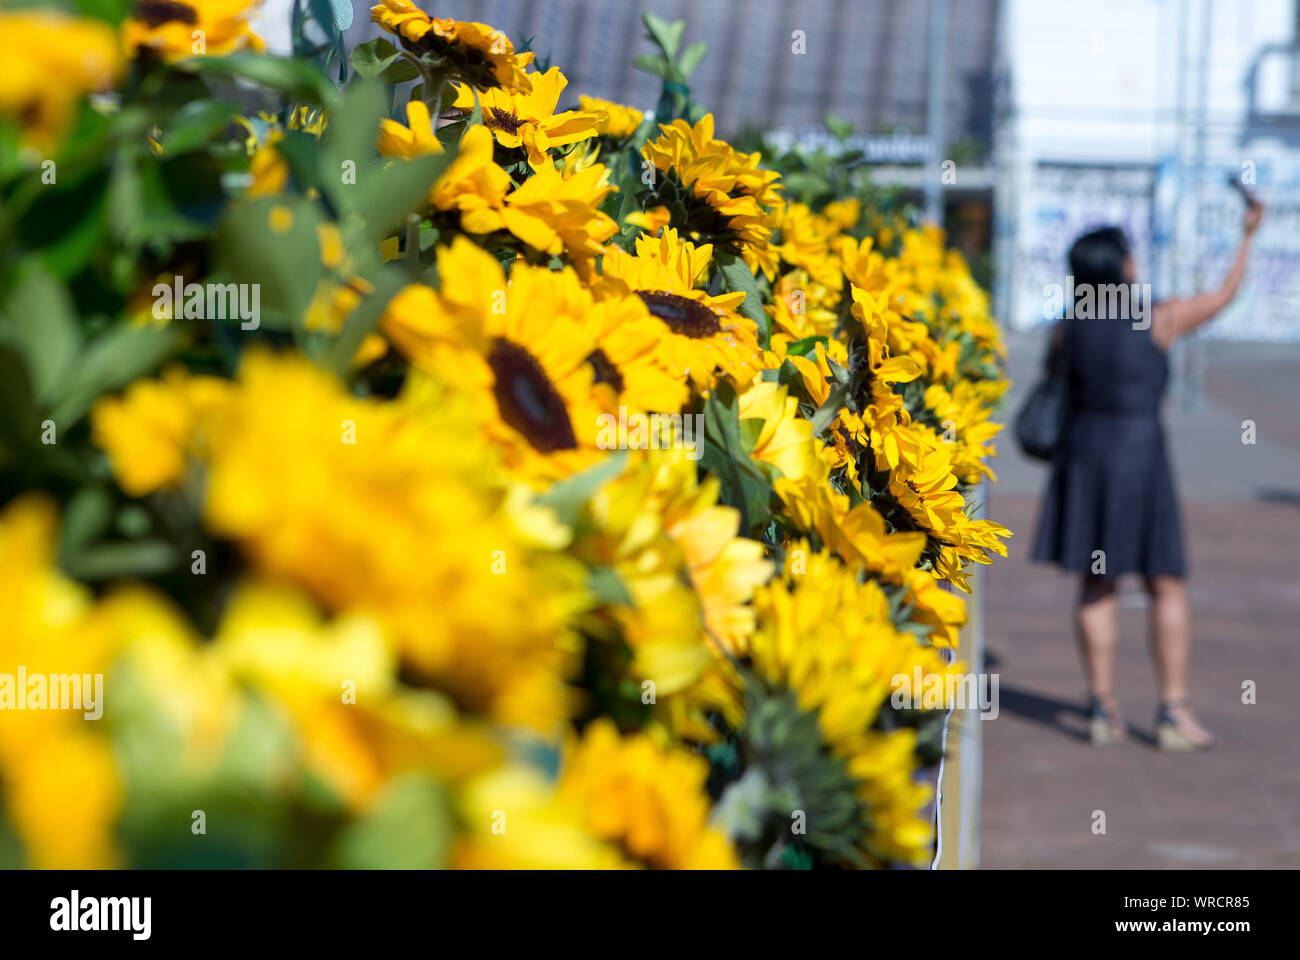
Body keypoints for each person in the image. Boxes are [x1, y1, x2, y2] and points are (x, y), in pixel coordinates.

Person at [1031, 203, 1263, 752]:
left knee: (1097, 582)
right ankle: (1173, 712)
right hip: (1140, 460)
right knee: (1166, 582)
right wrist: (1248, 237)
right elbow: (1225, 296)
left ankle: (1101, 709)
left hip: (1086, 460)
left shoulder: (1068, 328)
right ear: (1123, 268)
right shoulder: (1158, 319)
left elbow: (1050, 383)